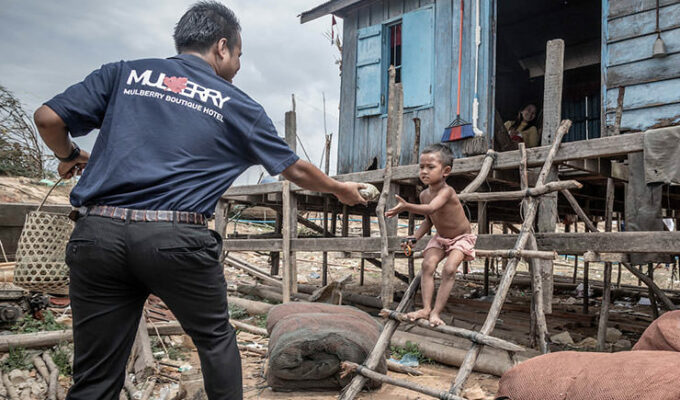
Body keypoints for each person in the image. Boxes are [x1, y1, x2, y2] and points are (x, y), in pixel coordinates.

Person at [32, 2, 366, 399]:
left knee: (96, 376)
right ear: (222, 47)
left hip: (98, 233)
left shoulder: (123, 73)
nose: (238, 65)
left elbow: (48, 118)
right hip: (175, 239)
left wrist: (69, 156)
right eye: (239, 55)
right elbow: (293, 168)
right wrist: (338, 188)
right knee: (214, 339)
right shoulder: (237, 104)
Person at [385, 144, 475, 327]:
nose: (424, 171)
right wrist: (415, 237)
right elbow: (429, 219)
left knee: (449, 269)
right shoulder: (424, 194)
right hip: (441, 237)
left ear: (446, 171)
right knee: (427, 264)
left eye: (430, 167)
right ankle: (426, 309)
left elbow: (432, 208)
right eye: (421, 167)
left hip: (461, 238)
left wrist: (406, 207)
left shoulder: (446, 191)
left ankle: (436, 312)